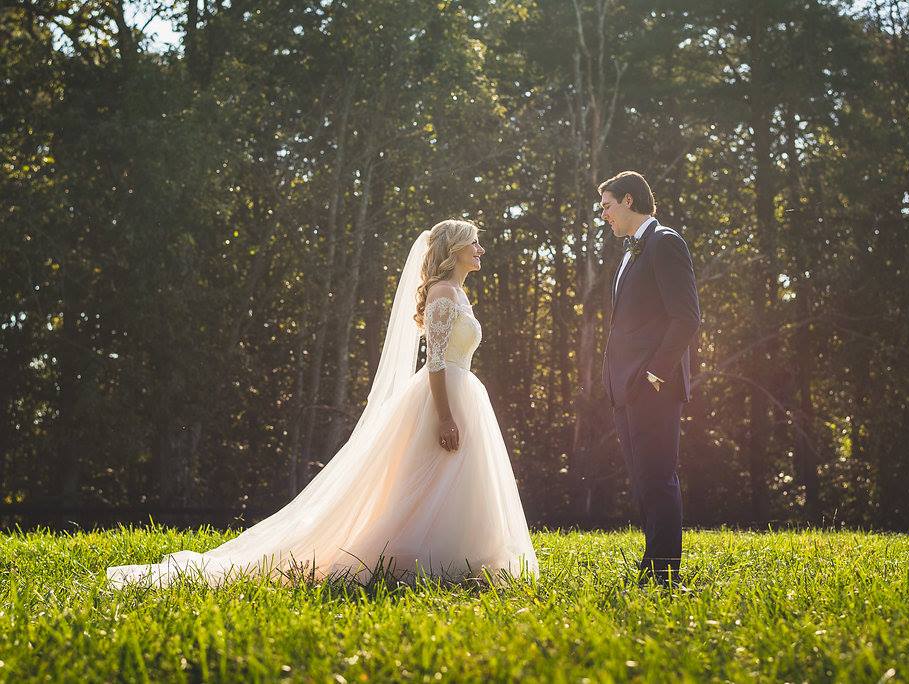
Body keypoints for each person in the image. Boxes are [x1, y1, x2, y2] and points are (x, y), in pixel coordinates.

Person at [106, 220, 538, 588]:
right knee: (427, 477)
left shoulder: (459, 295)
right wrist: (444, 415)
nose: (481, 249)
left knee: (451, 479)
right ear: (455, 249)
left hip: (465, 394)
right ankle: (414, 556)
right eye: (474, 242)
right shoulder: (443, 293)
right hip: (443, 398)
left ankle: (463, 557)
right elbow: (437, 362)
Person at [599, 171, 701, 586]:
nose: (603, 214)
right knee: (643, 481)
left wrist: (656, 375)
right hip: (625, 386)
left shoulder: (665, 242)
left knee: (658, 478)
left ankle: (664, 575)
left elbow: (687, 317)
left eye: (606, 205)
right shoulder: (628, 251)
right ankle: (652, 565)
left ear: (628, 200)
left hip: (653, 386)